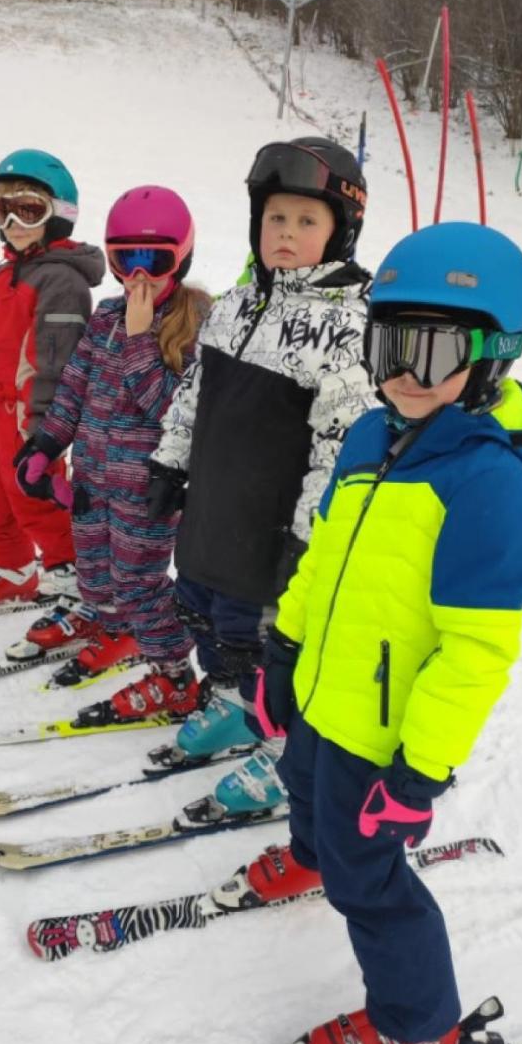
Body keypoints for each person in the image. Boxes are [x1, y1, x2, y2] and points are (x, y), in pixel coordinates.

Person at [225, 221, 522, 1044]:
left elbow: (475, 654)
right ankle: (307, 855)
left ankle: (418, 1024)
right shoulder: (374, 436)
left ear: (494, 355)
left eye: (437, 350)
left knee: (367, 876)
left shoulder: (488, 489)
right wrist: (284, 646)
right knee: (303, 787)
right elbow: (325, 551)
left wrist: (418, 775)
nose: (406, 373)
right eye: (390, 345)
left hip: (384, 734)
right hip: (324, 692)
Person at [148, 136, 373, 802]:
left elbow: (340, 448)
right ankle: (231, 706)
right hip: (214, 517)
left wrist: (306, 542)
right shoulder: (238, 305)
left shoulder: (349, 328)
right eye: (276, 218)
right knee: (203, 619)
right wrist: (169, 461)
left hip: (271, 537)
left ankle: (283, 753)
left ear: (342, 230)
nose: (286, 233)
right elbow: (194, 392)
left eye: (307, 221)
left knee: (264, 650)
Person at [12, 186, 210, 718]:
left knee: (138, 584)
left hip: (147, 492)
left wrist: (143, 340)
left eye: (155, 261)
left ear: (182, 258)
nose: (140, 276)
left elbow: (172, 411)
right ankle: (112, 625)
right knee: (94, 573)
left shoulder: (194, 329)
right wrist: (47, 442)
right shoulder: (105, 316)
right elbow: (75, 386)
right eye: (127, 261)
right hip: (92, 480)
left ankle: (176, 675)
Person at [0, 150, 105, 616]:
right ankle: (12, 571)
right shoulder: (7, 272)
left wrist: (42, 432)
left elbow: (58, 364)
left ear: (59, 214)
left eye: (27, 209)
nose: (12, 221)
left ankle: (75, 579)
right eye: (1, 208)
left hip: (27, 416)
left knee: (37, 506)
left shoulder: (63, 283)